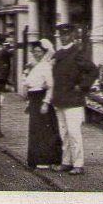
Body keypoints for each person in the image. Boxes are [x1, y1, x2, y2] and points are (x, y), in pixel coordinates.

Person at [50, 23, 98, 175]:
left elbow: (93, 70)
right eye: (61, 35)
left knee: (74, 133)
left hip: (73, 100)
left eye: (66, 34)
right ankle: (66, 162)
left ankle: (78, 164)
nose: (63, 37)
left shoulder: (77, 52)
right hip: (59, 99)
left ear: (72, 36)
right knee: (63, 133)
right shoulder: (57, 54)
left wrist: (82, 86)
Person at [23, 39, 62, 169]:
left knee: (44, 130)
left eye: (39, 51)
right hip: (34, 100)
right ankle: (37, 159)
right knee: (36, 130)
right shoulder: (37, 65)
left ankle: (46, 160)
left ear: (45, 52)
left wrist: (45, 103)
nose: (36, 53)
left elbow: (50, 86)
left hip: (41, 100)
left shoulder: (45, 66)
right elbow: (29, 83)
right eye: (34, 51)